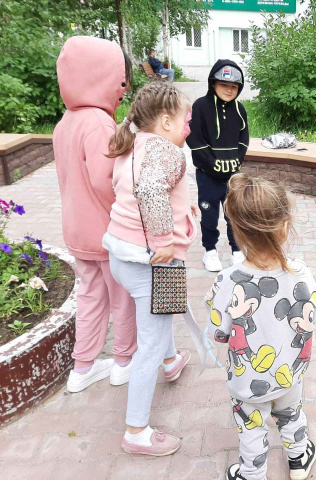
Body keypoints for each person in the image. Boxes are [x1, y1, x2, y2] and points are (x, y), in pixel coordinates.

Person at [206, 173, 316, 480]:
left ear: (236, 229)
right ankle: (299, 460)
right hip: (289, 373)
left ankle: (252, 474)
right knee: (291, 415)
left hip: (247, 379)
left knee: (251, 427)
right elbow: (313, 318)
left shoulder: (227, 280)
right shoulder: (301, 273)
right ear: (284, 227)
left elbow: (219, 332)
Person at [103, 82, 196, 455]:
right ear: (166, 121)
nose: (189, 125)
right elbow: (152, 191)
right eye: (186, 118)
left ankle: (171, 362)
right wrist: (163, 241)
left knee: (160, 317)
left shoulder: (132, 144)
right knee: (150, 343)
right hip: (154, 262)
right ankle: (136, 431)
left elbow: (131, 189)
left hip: (120, 255)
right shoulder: (168, 151)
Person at [53, 35, 137, 393]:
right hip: (106, 236)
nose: (122, 91)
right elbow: (107, 183)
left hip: (77, 233)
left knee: (90, 297)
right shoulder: (99, 124)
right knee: (123, 299)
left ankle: (82, 367)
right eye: (120, 82)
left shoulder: (66, 122)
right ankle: (124, 361)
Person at [187, 60, 249, 272]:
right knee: (209, 214)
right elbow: (194, 138)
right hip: (208, 175)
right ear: (213, 83)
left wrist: (237, 160)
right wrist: (211, 165)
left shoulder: (240, 109)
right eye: (224, 85)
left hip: (232, 175)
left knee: (234, 213)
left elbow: (244, 138)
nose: (229, 90)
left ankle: (236, 250)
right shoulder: (200, 106)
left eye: (234, 86)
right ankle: (210, 250)